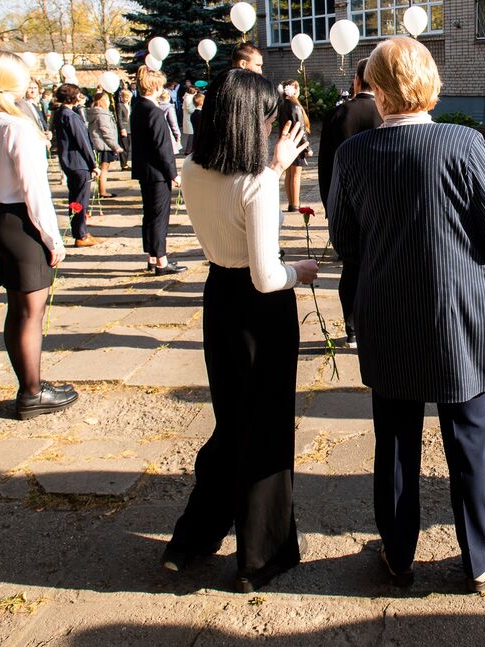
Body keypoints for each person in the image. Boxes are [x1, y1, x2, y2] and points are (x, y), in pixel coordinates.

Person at [327, 37, 485, 593]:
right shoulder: (462, 143)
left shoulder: (353, 154)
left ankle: (397, 552)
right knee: (469, 439)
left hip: (387, 311)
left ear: (374, 88)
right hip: (459, 311)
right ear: (430, 81)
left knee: (393, 440)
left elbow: (345, 241)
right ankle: (479, 555)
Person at [163, 68, 315, 592]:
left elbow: (234, 212)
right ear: (256, 121)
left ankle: (193, 537)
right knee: (265, 430)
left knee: (231, 423)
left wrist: (273, 169)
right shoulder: (258, 182)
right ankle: (260, 556)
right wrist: (303, 272)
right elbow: (268, 274)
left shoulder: (192, 168)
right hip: (260, 312)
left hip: (218, 300)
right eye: (270, 119)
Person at [0, 51, 75, 420]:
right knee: (31, 313)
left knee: (17, 309)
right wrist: (53, 238)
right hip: (22, 219)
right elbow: (35, 189)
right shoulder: (15, 125)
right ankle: (31, 392)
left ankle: (30, 384)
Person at [318, 58, 383, 347]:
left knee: (351, 266)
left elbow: (324, 166)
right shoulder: (386, 112)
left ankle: (352, 327)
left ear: (357, 81)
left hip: (345, 201)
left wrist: (329, 206)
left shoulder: (338, 114)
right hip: (380, 204)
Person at [131, 67, 184, 275]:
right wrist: (173, 173)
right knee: (159, 217)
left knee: (150, 215)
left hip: (145, 171)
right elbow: (162, 147)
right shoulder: (152, 110)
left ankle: (152, 256)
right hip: (157, 173)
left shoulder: (138, 107)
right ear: (155, 86)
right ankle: (161, 260)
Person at [51, 84, 98, 248]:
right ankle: (81, 234)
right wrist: (93, 164)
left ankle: (80, 230)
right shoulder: (70, 115)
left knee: (75, 198)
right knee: (80, 200)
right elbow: (82, 141)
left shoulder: (59, 113)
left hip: (69, 161)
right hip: (78, 162)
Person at [278, 80, 310, 212]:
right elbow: (300, 127)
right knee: (296, 175)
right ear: (295, 90)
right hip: (296, 144)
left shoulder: (282, 105)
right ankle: (295, 204)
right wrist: (307, 147)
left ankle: (291, 203)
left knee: (288, 175)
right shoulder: (295, 106)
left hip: (285, 141)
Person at [86, 92, 121, 198]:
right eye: (106, 99)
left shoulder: (93, 113)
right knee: (104, 169)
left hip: (98, 144)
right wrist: (115, 146)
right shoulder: (101, 114)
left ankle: (101, 190)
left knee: (100, 168)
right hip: (104, 145)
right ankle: (103, 191)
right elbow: (106, 132)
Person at [115, 88, 132, 171]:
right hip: (124, 128)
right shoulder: (119, 105)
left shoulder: (129, 105)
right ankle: (123, 164)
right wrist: (122, 129)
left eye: (128, 97)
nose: (126, 99)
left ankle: (125, 163)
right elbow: (119, 118)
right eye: (125, 97)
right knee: (124, 147)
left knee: (128, 147)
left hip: (130, 128)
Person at [180, 83, 197, 155]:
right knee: (191, 134)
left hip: (190, 118)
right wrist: (197, 109)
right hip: (189, 118)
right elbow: (189, 109)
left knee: (192, 134)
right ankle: (188, 150)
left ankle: (190, 149)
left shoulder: (188, 97)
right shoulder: (188, 98)